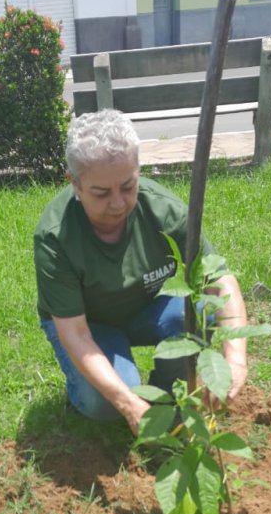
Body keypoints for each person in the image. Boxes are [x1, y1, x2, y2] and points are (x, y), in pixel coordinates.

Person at [33, 109, 249, 436]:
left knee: (202, 309)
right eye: (101, 193)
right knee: (102, 403)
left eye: (128, 186)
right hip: (88, 324)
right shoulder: (55, 236)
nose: (118, 203)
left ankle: (165, 399)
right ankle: (90, 391)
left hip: (148, 308)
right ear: (74, 183)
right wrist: (126, 402)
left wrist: (236, 360)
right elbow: (75, 333)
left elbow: (221, 282)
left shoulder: (161, 209)